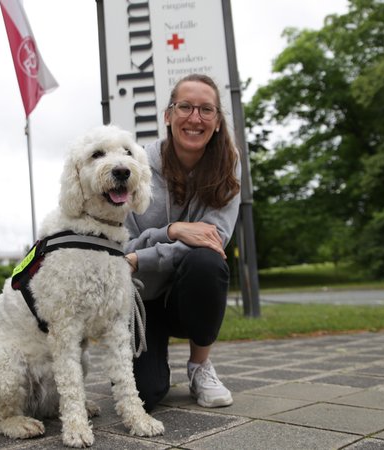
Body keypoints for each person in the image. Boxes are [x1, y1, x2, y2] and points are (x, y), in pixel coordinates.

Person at [124, 73, 241, 411]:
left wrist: (143, 256)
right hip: (141, 296)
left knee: (207, 262)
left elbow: (213, 240)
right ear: (168, 115)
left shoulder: (228, 165)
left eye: (206, 110)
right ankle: (143, 366)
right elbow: (121, 250)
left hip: (187, 293)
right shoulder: (135, 165)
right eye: (185, 107)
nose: (195, 118)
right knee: (146, 393)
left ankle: (199, 366)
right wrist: (172, 231)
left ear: (217, 122)